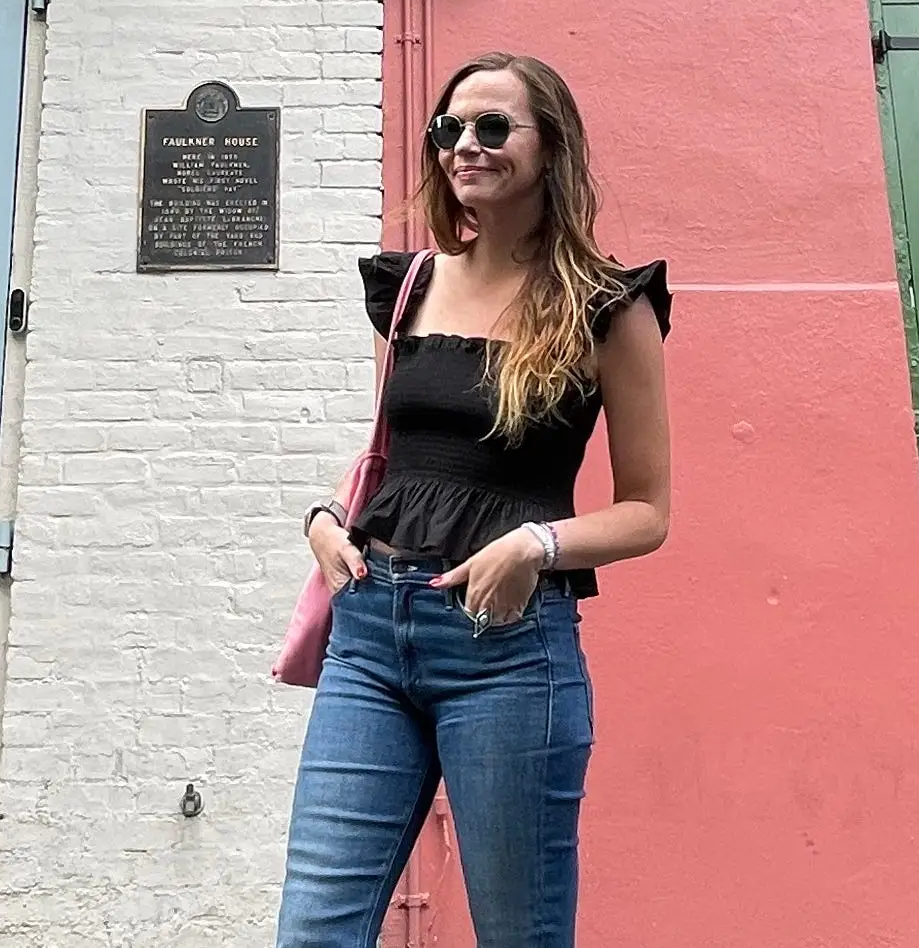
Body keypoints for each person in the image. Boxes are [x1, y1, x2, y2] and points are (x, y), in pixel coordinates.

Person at [275, 51, 672, 948]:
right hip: (371, 633)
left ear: (550, 147)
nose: (466, 144)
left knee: (518, 935)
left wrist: (536, 543)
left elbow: (648, 511)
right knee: (313, 932)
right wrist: (325, 522)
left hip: (508, 654)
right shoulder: (411, 284)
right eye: (450, 127)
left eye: (494, 126)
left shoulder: (609, 306)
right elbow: (409, 454)